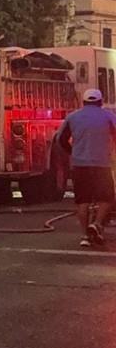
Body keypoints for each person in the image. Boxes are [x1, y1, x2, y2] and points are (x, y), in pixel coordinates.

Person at [57, 89, 116, 248]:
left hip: (80, 165)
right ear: (100, 102)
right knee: (107, 198)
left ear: (83, 102)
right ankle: (96, 224)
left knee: (82, 201)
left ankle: (85, 236)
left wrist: (73, 152)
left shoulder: (73, 117)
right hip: (101, 164)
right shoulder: (108, 116)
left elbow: (61, 139)